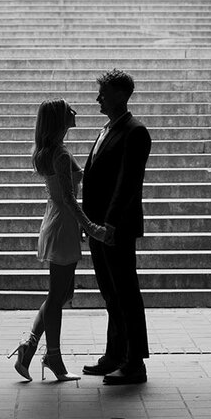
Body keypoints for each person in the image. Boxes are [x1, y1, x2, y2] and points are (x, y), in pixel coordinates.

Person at [9, 99, 110, 383]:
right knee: (57, 296)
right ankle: (52, 356)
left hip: (57, 222)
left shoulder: (52, 151)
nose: (74, 112)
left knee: (62, 294)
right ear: (58, 120)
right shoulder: (61, 155)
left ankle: (29, 347)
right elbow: (69, 198)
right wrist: (92, 227)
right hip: (63, 224)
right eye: (68, 110)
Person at [81, 69, 152, 385]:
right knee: (111, 294)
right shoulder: (107, 129)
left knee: (126, 294)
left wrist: (109, 224)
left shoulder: (135, 132)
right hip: (98, 227)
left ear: (121, 96)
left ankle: (134, 363)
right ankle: (114, 355)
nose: (98, 98)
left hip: (116, 227)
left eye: (104, 93)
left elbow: (128, 183)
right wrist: (89, 222)